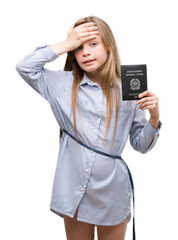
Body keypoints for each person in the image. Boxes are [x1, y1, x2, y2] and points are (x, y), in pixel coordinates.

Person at [16, 16, 161, 240]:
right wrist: (66, 43)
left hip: (113, 192)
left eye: (93, 44)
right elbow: (24, 67)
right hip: (73, 189)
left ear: (109, 46)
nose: (85, 52)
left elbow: (141, 145)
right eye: (78, 46)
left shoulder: (128, 89)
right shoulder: (61, 84)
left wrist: (154, 117)